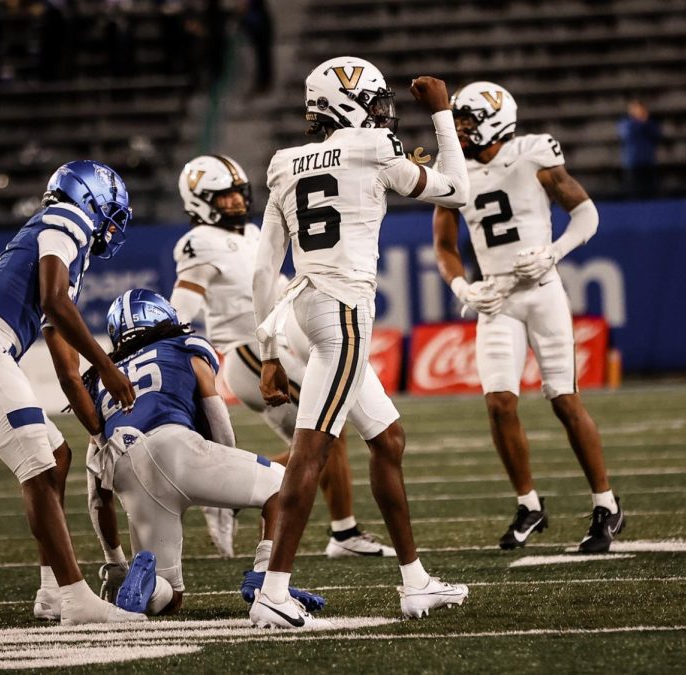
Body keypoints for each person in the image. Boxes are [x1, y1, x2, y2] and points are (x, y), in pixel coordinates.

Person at [249, 56, 471, 628]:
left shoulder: (282, 162)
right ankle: (274, 590)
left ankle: (416, 582)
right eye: (375, 105)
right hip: (344, 309)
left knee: (388, 439)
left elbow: (264, 268)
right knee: (312, 451)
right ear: (349, 105)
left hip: (303, 308)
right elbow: (457, 191)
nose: (382, 116)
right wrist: (442, 114)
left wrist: (270, 352)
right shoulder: (372, 150)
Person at [0, 160, 145, 626]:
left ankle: (52, 591)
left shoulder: (59, 237)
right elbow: (54, 302)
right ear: (91, 200)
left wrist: (97, 431)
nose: (114, 224)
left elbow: (63, 357)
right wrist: (109, 368)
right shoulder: (67, 219)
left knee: (58, 453)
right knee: (38, 465)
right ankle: (75, 597)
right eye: (113, 211)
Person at [170, 154, 395, 559]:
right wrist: (170, 342)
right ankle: (235, 491)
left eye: (238, 194)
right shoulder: (199, 242)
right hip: (249, 352)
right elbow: (183, 305)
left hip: (276, 346)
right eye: (224, 198)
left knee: (325, 435)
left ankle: (234, 492)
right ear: (200, 200)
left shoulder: (253, 231)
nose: (237, 203)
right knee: (326, 430)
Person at [433, 82, 624, 553]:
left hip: (542, 292)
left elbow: (586, 214)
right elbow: (444, 246)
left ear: (497, 119)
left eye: (468, 120)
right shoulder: (453, 170)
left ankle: (606, 503)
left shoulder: (532, 154)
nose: (460, 128)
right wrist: (463, 288)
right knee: (499, 403)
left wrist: (554, 253)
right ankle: (529, 504)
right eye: (457, 119)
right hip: (497, 300)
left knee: (564, 399)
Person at [68, 289, 325, 616]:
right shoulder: (183, 346)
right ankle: (264, 574)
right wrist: (225, 502)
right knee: (284, 486)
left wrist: (113, 560)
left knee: (169, 599)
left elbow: (96, 488)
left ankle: (146, 581)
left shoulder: (101, 379)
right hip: (174, 446)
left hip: (124, 468)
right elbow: (216, 417)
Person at [617, 99, 660, 198]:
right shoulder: (626, 123)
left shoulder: (650, 123)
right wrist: (640, 123)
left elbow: (656, 135)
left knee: (650, 192)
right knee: (633, 192)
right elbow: (627, 135)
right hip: (632, 162)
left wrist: (645, 122)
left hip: (648, 161)